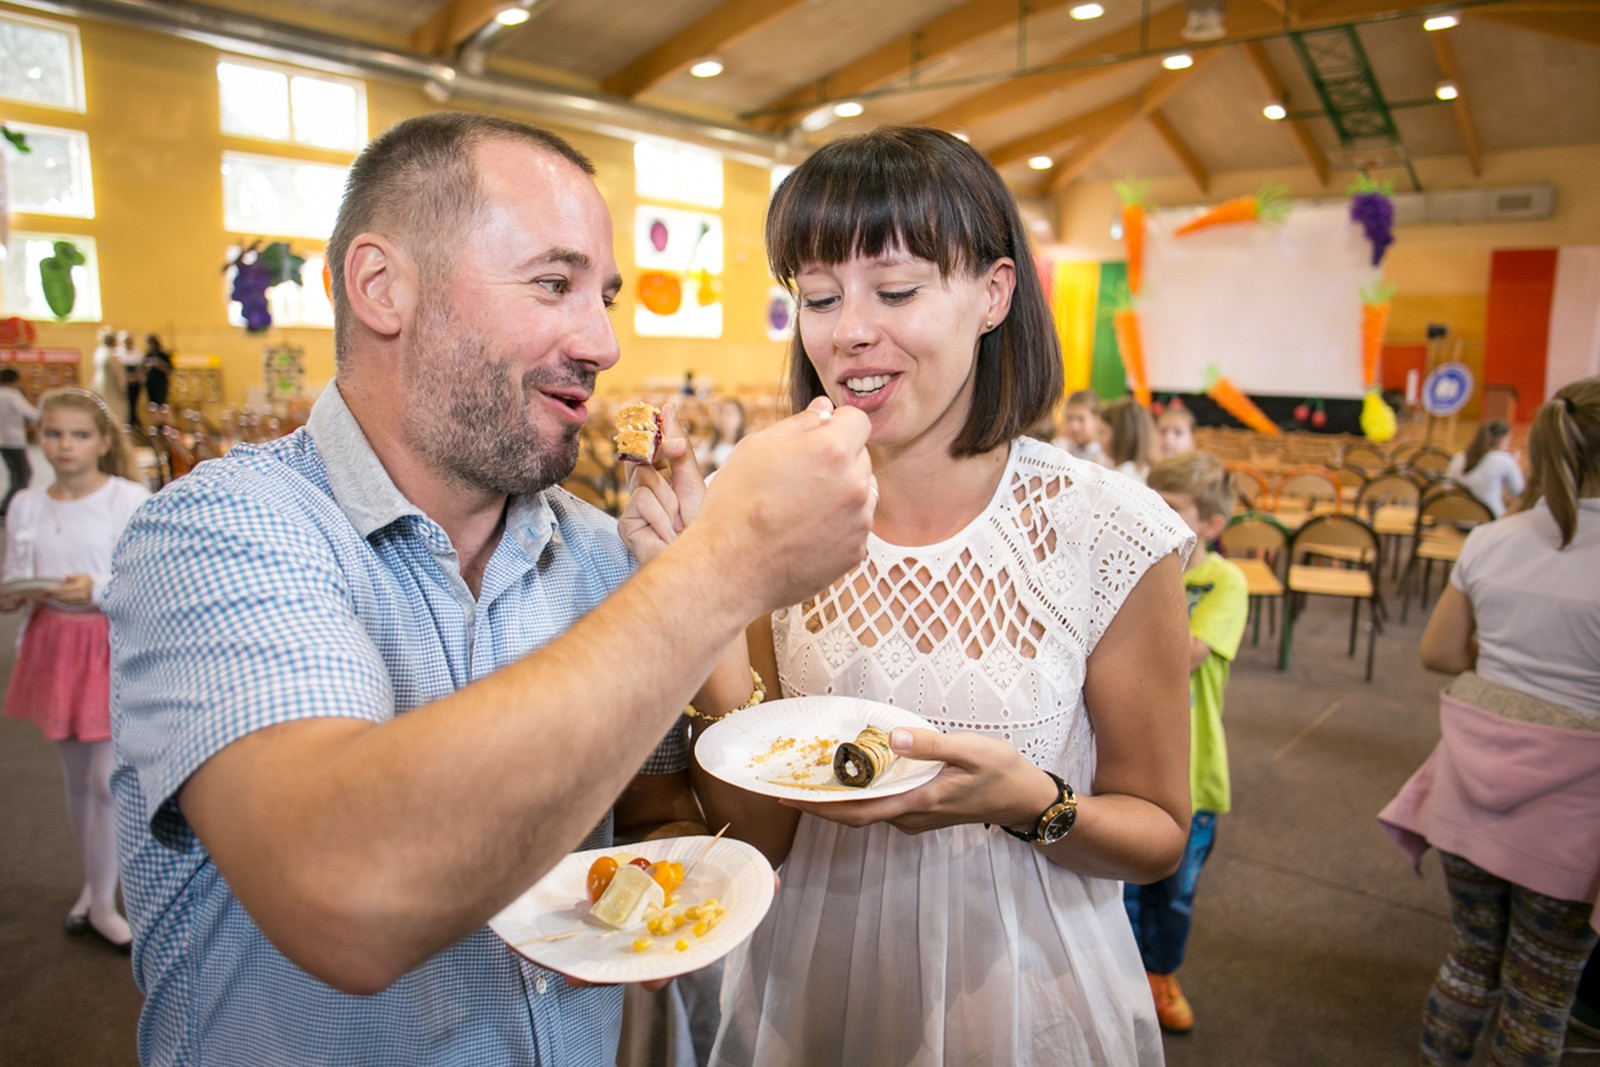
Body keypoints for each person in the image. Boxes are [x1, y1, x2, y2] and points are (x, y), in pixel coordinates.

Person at [104, 111, 875, 1067]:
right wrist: (725, 565)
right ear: (382, 287)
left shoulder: (598, 552)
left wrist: (651, 892)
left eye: (605, 297)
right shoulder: (216, 530)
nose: (603, 342)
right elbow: (347, 892)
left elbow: (665, 819)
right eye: (554, 283)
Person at [623, 126, 1194, 1066]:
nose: (848, 330)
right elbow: (756, 834)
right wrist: (706, 592)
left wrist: (1030, 801)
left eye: (894, 290)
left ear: (994, 294)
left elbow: (1159, 831)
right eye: (818, 296)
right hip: (809, 986)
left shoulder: (1107, 529)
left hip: (1027, 996)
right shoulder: (762, 505)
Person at [1379, 377, 1600, 1067]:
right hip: (1573, 811)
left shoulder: (1492, 539)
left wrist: (1513, 659)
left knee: (1470, 960)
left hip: (1469, 784)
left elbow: (1441, 652)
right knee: (1541, 990)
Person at [3, 388, 150, 951]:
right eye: (55, 434)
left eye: (80, 435)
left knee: (105, 781)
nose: (65, 446)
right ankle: (92, 886)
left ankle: (105, 904)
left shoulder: (127, 498)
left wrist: (96, 587)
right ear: (39, 439)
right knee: (75, 780)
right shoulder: (26, 503)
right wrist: (14, 593)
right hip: (53, 643)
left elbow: (147, 578)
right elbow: (17, 570)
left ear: (103, 442)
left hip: (107, 643)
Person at [1123, 451, 1247, 1034]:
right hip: (1129, 762)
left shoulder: (1225, 581)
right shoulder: (1134, 563)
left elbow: (1187, 654)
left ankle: (1159, 973)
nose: (1153, 516)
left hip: (1193, 771)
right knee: (1119, 886)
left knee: (1173, 893)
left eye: (1170, 508)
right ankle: (1122, 977)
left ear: (1211, 525)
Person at [1443, 417, 1523, 518]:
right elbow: (1518, 492)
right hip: (1489, 519)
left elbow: (1446, 485)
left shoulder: (1460, 456)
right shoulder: (1504, 460)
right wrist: (1515, 464)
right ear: (1501, 439)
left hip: (1454, 516)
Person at [0, 366, 39, 515]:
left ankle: (7, 505)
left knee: (15, 474)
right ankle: (9, 506)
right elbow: (30, 413)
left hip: (2, 440)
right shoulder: (12, 395)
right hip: (14, 440)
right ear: (14, 380)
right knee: (24, 474)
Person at [1104, 395, 1156, 483]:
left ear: (1120, 436)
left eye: (1102, 432)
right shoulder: (1143, 470)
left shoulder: (1122, 476)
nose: (1098, 439)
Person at [1053, 387, 1107, 464]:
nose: (1074, 427)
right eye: (1069, 419)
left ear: (1097, 419)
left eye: (1081, 419)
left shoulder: (1107, 455)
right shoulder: (1056, 448)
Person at [89, 326, 129, 429]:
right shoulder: (111, 356)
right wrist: (122, 388)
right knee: (115, 411)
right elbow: (119, 374)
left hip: (99, 384)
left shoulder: (99, 353)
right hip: (111, 387)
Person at [695, 397, 746, 473]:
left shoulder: (745, 446)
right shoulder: (709, 445)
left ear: (740, 417)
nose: (724, 419)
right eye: (721, 413)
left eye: (729, 414)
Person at [141, 333, 174, 414]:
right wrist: (147, 365)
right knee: (152, 404)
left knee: (161, 403)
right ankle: (156, 419)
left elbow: (170, 368)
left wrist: (159, 364)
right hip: (151, 381)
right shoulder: (148, 355)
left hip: (161, 381)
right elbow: (143, 368)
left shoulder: (163, 355)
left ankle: (162, 419)